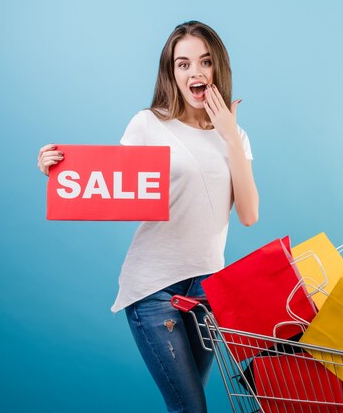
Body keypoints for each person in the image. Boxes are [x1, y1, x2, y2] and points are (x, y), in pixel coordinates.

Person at [37, 21, 259, 413]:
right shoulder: (148, 124)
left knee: (189, 406)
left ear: (217, 68)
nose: (195, 72)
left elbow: (248, 214)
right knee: (191, 408)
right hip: (154, 288)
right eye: (183, 64)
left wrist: (229, 134)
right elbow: (110, 181)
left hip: (207, 290)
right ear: (171, 73)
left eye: (204, 62)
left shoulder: (234, 136)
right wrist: (59, 170)